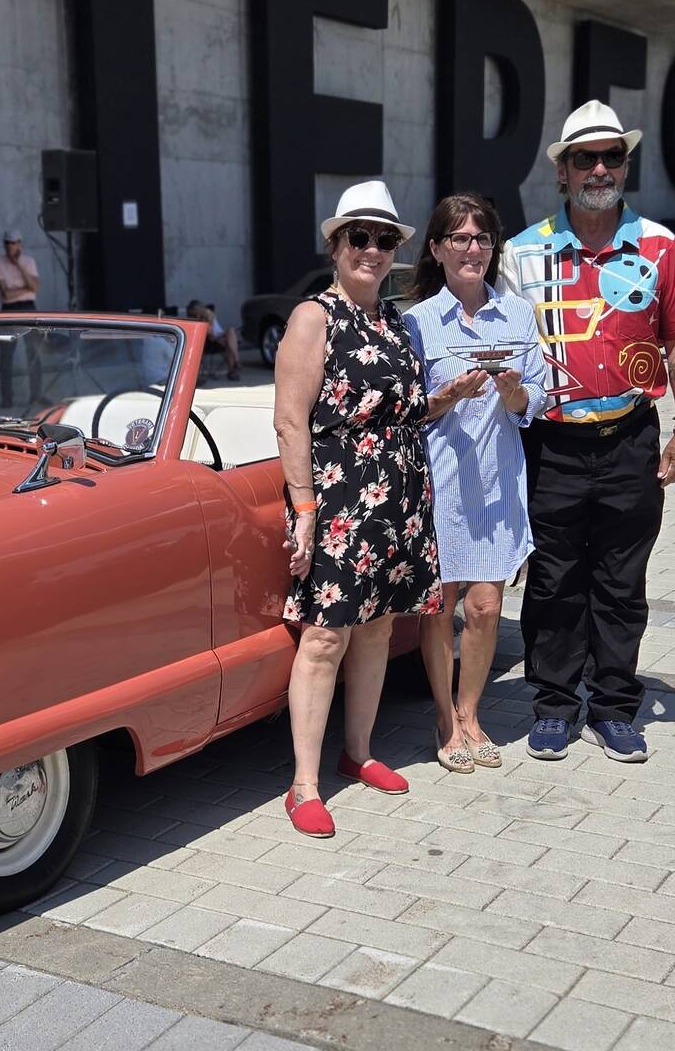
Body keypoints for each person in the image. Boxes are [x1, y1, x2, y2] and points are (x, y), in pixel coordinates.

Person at [503, 100, 675, 764]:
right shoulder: (522, 253)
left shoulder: (659, 245)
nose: (599, 167)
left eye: (611, 155)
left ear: (625, 164)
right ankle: (555, 705)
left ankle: (616, 706)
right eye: (584, 158)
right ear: (561, 172)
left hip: (629, 440)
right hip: (550, 443)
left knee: (622, 579)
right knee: (554, 580)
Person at [272, 180, 443, 839]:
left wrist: (445, 399)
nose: (372, 250)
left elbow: (401, 410)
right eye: (359, 238)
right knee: (323, 637)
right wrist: (306, 508)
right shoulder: (316, 316)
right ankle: (304, 785)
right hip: (339, 497)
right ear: (337, 245)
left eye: (384, 240)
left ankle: (360, 751)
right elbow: (290, 421)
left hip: (397, 495)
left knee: (376, 629)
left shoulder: (392, 319)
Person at [401, 194, 547, 774]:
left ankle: (470, 712)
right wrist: (447, 396)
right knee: (440, 607)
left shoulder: (517, 315)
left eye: (482, 238)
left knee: (486, 606)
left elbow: (535, 398)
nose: (472, 249)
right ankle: (443, 716)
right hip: (441, 482)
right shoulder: (415, 322)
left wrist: (514, 394)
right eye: (458, 238)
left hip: (497, 479)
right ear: (436, 250)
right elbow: (409, 409)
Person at [0, 228, 43, 407]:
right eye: (7, 243)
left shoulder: (28, 262)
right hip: (9, 309)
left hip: (28, 307)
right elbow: (6, 295)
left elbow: (34, 287)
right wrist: (25, 288)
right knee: (6, 356)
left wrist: (18, 264)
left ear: (19, 244)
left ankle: (36, 395)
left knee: (34, 353)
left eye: (13, 243)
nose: (9, 246)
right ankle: (7, 398)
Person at [185, 300, 242, 381]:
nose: (193, 314)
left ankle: (236, 362)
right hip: (210, 341)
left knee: (230, 332)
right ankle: (234, 366)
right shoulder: (195, 319)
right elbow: (209, 333)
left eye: (195, 312)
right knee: (229, 340)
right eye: (193, 313)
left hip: (220, 337)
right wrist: (198, 318)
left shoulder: (207, 313)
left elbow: (212, 329)